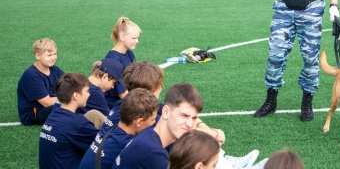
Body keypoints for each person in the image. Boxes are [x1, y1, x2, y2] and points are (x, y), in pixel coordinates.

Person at [114, 83, 264, 169]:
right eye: (184, 116)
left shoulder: (155, 135)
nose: (190, 124)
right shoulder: (153, 153)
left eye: (194, 118)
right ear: (166, 111)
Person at [79, 88, 159, 169]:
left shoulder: (111, 128)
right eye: (152, 119)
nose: (154, 122)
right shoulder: (130, 146)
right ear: (139, 122)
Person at [38, 72, 98, 169]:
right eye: (87, 91)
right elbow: (105, 145)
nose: (89, 94)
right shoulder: (78, 124)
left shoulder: (53, 115)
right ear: (76, 95)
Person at [100, 61, 164, 134]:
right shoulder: (147, 117)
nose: (162, 87)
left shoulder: (123, 102)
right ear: (152, 89)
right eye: (160, 84)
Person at [17, 38, 65, 125]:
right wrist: (69, 97)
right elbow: (46, 102)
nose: (53, 58)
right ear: (38, 56)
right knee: (68, 105)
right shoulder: (32, 75)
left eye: (55, 54)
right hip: (34, 113)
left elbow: (71, 82)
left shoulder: (54, 69)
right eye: (49, 55)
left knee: (81, 100)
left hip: (50, 106)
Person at [105, 17, 142, 108]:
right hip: (115, 104)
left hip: (128, 97)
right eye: (134, 38)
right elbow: (121, 93)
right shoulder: (112, 59)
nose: (137, 41)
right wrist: (139, 105)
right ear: (122, 37)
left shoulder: (130, 53)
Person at [78, 58, 125, 129]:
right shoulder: (94, 91)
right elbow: (110, 119)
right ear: (104, 76)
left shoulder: (82, 83)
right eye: (113, 82)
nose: (113, 87)